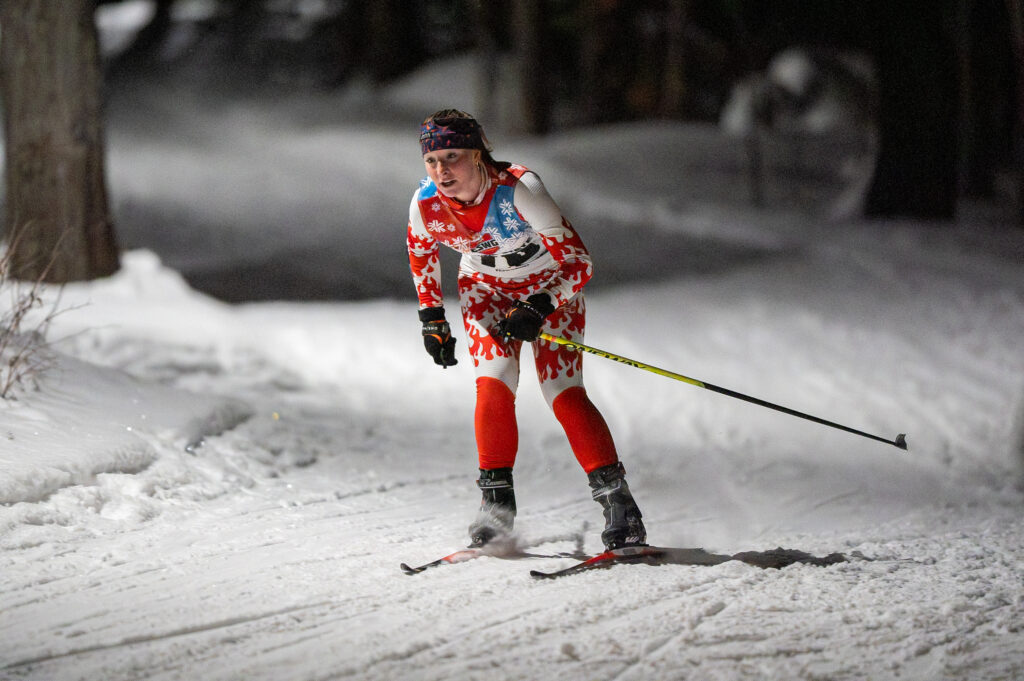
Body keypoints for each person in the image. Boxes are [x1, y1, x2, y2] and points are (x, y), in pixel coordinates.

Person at [407, 109, 647, 551]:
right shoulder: (425, 204)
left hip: (550, 288)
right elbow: (421, 256)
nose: (442, 170)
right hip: (486, 294)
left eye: (453, 156)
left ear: (478, 154)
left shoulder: (519, 189)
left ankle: (619, 504)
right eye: (432, 160)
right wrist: (432, 319)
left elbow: (579, 261)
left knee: (562, 391)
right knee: (493, 384)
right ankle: (496, 506)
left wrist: (540, 305)